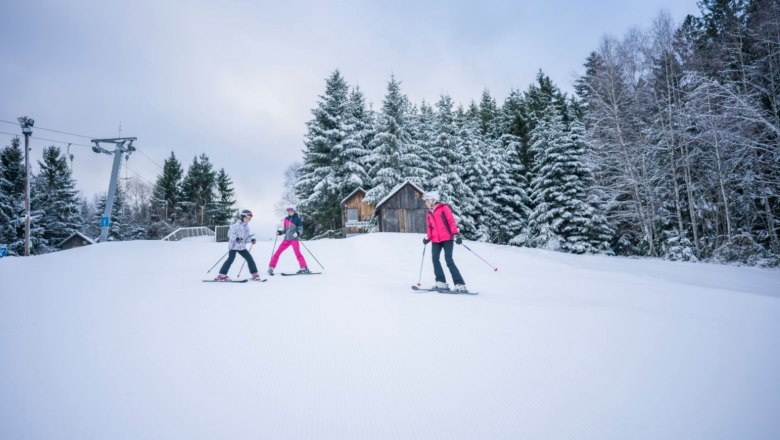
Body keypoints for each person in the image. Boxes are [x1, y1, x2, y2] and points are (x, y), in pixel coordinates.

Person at [422, 191, 467, 292]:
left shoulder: (444, 208)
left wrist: (455, 234)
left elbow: (451, 221)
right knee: (435, 259)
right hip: (435, 240)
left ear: (432, 200)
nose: (425, 203)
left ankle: (460, 284)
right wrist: (428, 238)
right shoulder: (429, 213)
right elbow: (429, 227)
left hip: (447, 238)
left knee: (448, 260)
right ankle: (441, 282)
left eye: (426, 201)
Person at [215, 209, 261, 281]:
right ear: (242, 217)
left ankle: (254, 274)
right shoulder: (235, 226)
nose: (248, 220)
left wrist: (251, 240)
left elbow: (245, 239)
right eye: (247, 218)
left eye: (249, 218)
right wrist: (236, 238)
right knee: (230, 259)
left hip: (241, 247)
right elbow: (229, 234)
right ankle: (221, 275)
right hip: (233, 246)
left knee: (249, 259)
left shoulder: (247, 227)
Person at [268, 206, 309, 275]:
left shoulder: (297, 219)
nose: (290, 212)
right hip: (286, 239)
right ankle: (271, 267)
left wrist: (298, 233)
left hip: (294, 239)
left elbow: (300, 229)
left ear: (294, 211)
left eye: (291, 210)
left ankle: (304, 267)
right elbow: (285, 230)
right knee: (278, 252)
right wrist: (280, 232)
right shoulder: (286, 219)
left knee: (297, 253)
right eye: (288, 210)